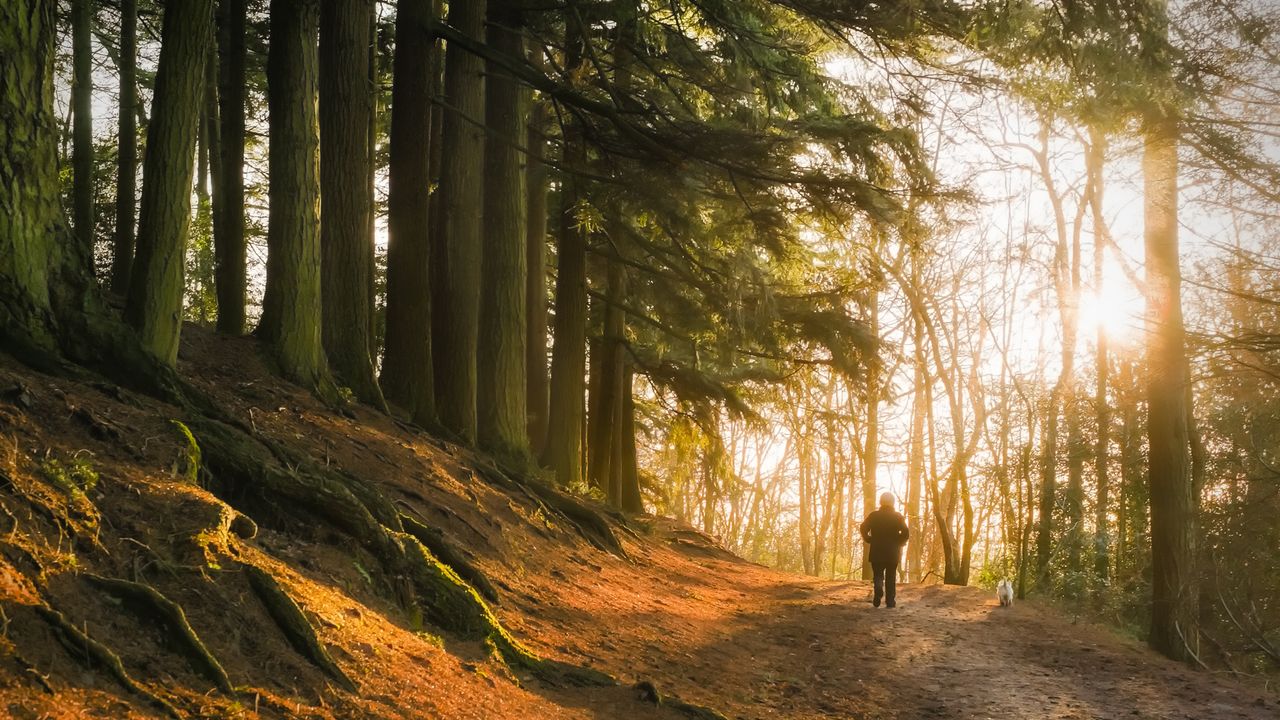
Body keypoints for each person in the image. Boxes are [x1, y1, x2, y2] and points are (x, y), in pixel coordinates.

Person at [860, 492, 910, 608]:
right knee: (891, 577)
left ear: (880, 502)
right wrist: (900, 542)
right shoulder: (897, 516)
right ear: (893, 502)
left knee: (878, 574)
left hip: (876, 550)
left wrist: (868, 539)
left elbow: (863, 527)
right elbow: (906, 532)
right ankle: (890, 602)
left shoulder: (874, 516)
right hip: (892, 552)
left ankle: (878, 588)